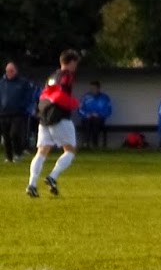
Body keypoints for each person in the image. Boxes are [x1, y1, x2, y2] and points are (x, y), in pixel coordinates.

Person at [27, 50, 80, 197]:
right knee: (70, 150)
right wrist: (73, 103)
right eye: (76, 63)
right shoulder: (67, 75)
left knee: (42, 151)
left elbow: (44, 95)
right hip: (59, 117)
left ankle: (32, 184)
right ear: (71, 62)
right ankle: (53, 176)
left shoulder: (52, 76)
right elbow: (61, 94)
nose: (76, 66)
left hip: (44, 116)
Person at [1, 62, 35, 164]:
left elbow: (29, 96)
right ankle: (9, 157)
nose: (9, 73)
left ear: (16, 71)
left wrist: (23, 106)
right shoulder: (2, 83)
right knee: (6, 136)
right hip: (3, 113)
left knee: (14, 134)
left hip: (18, 113)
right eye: (7, 71)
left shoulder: (23, 83)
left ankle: (18, 153)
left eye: (11, 71)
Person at [77, 80, 113, 150]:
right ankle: (86, 143)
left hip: (99, 119)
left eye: (94, 88)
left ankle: (95, 144)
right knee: (87, 122)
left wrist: (99, 114)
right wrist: (86, 114)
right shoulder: (85, 97)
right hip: (87, 118)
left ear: (98, 88)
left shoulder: (104, 98)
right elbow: (80, 109)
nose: (92, 90)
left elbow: (108, 110)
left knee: (96, 122)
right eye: (91, 88)